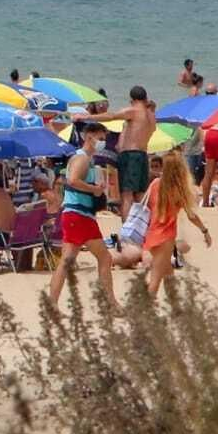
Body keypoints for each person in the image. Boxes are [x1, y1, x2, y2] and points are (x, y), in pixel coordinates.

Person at [49, 123, 116, 307]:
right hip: (79, 215)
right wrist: (94, 189)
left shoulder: (87, 160)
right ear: (89, 137)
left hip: (78, 214)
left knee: (67, 261)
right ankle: (110, 302)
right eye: (101, 139)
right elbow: (72, 181)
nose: (103, 143)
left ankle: (52, 303)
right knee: (104, 257)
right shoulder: (82, 159)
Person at [138, 151, 213, 297]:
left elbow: (146, 206)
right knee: (156, 281)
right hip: (166, 238)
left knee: (168, 274)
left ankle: (175, 308)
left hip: (151, 235)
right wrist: (205, 231)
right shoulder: (179, 189)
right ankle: (142, 313)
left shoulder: (155, 184)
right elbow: (192, 216)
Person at [75, 86, 157, 217]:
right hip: (143, 155)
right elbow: (150, 131)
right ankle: (141, 226)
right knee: (140, 195)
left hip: (130, 156)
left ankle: (126, 229)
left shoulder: (134, 111)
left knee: (127, 194)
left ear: (132, 100)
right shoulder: (151, 116)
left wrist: (87, 116)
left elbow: (111, 116)